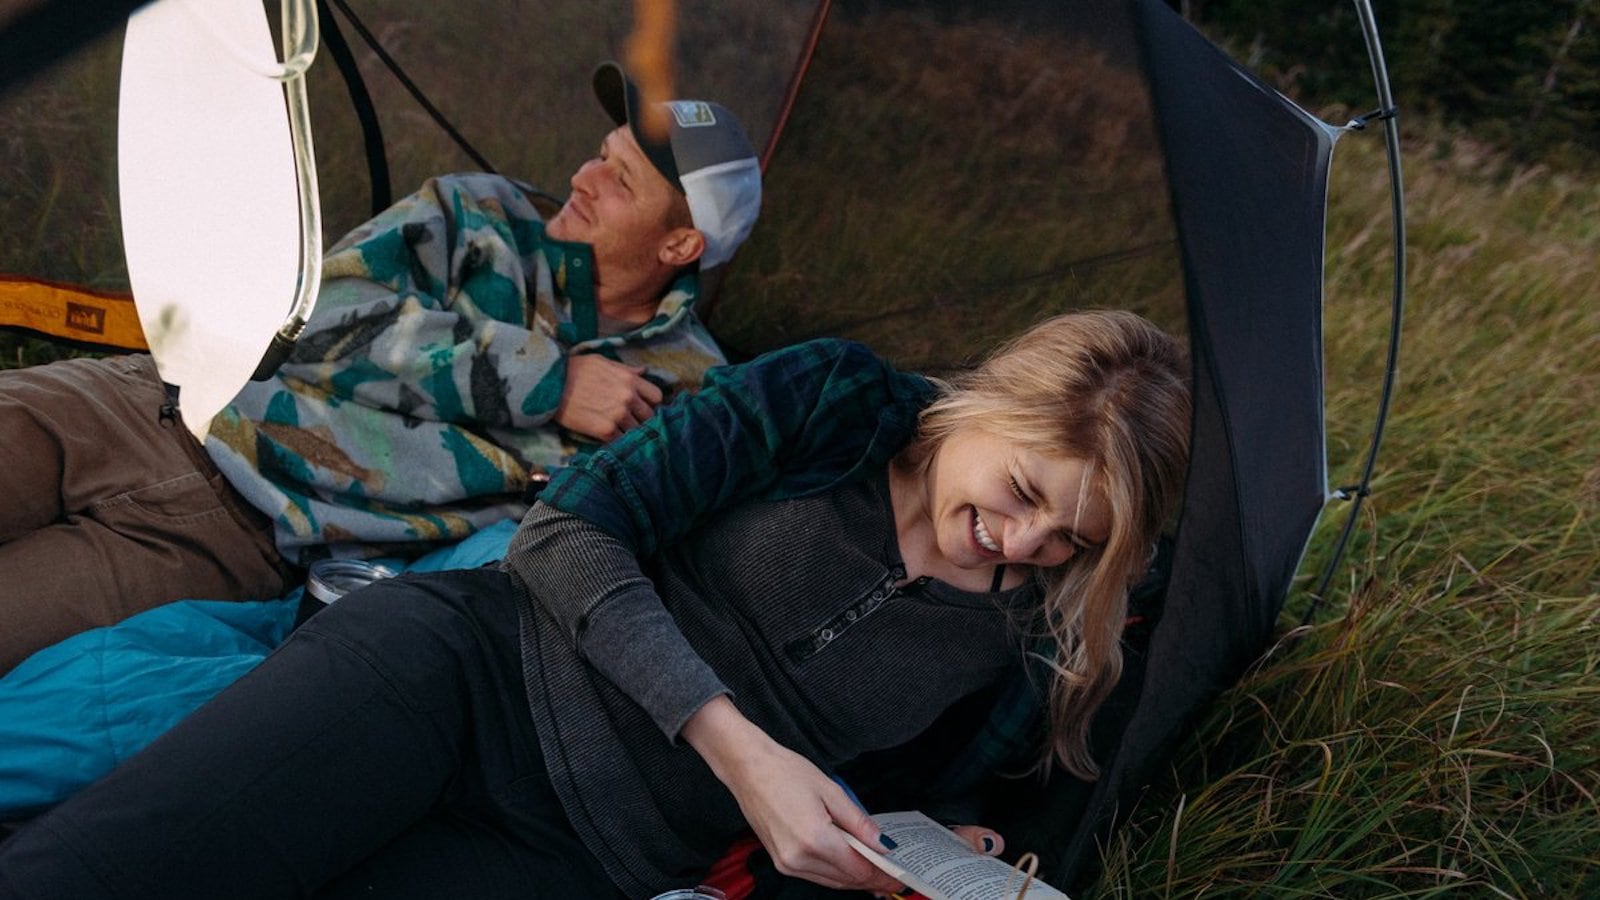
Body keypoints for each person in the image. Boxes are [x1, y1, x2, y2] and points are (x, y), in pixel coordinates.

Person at [0, 309, 1190, 899]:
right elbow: (569, 530)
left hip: (577, 857)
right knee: (106, 872)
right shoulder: (833, 401)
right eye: (1022, 490)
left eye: (1070, 540)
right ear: (988, 405)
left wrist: (936, 843)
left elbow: (924, 783)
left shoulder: (1038, 623)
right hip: (461, 681)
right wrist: (739, 749)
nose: (1022, 542)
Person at [0, 62, 763, 674]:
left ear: (679, 246)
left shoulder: (688, 395)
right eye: (601, 153)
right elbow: (309, 316)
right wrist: (546, 383)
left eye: (620, 181)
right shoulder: (480, 215)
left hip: (244, 530)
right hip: (153, 400)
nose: (582, 179)